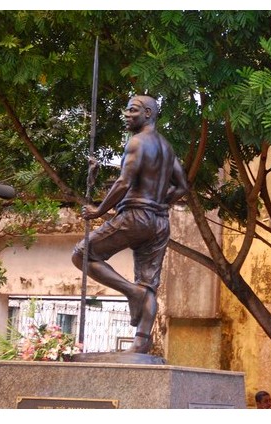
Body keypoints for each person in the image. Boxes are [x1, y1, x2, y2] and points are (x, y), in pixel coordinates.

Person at [72, 95, 188, 354]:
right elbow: (182, 186)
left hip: (136, 215)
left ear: (148, 113)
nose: (126, 114)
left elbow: (123, 183)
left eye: (132, 110)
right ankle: (140, 343)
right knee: (149, 283)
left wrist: (98, 210)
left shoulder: (137, 142)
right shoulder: (168, 149)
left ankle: (130, 292)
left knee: (82, 254)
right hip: (159, 221)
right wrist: (159, 202)